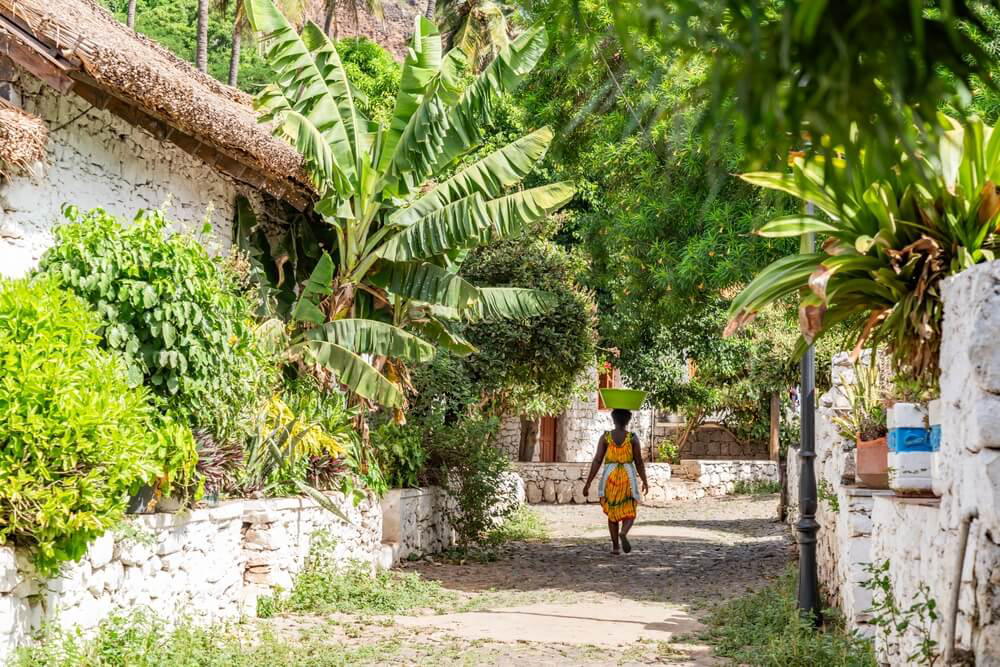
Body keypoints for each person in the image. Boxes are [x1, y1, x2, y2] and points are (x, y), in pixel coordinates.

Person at [583, 408, 649, 555]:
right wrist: (645, 481)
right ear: (628, 421)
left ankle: (615, 547)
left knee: (612, 512)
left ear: (613, 419)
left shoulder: (605, 437)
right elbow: (639, 462)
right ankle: (624, 532)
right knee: (630, 509)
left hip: (610, 477)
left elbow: (597, 460)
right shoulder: (632, 438)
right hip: (627, 477)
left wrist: (588, 483)